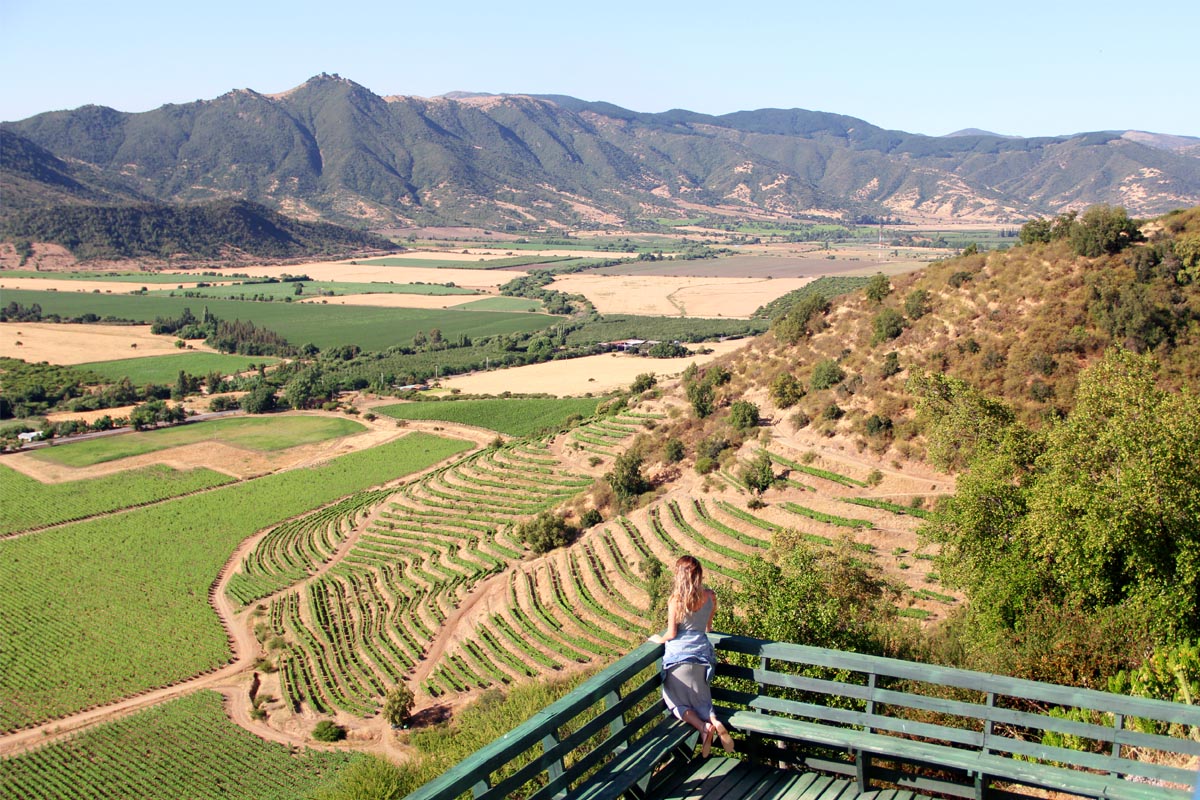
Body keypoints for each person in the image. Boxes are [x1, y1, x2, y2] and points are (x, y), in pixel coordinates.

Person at [649, 555, 734, 756]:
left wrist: (657, 640)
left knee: (675, 702)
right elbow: (708, 627)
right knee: (702, 701)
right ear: (699, 574)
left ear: (679, 576)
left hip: (678, 659)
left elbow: (671, 634)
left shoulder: (675, 601)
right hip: (701, 657)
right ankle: (713, 721)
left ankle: (703, 729)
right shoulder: (710, 596)